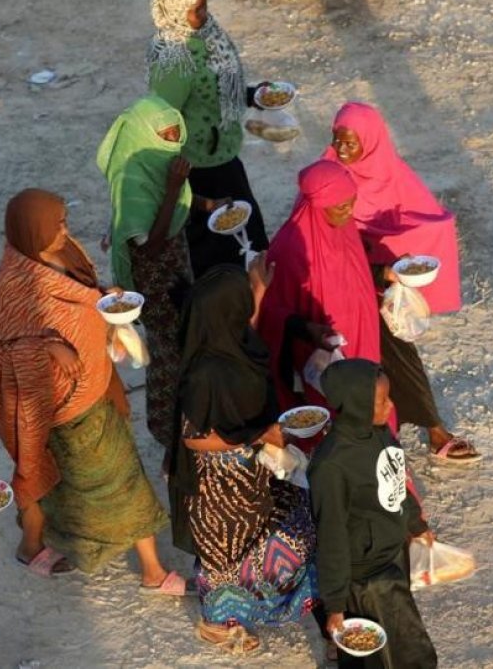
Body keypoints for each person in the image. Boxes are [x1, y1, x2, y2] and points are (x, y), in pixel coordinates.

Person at [0, 189, 187, 594]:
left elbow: (82, 296)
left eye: (64, 221)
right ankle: (151, 572)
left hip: (96, 387)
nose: (65, 230)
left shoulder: (65, 253)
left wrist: (106, 298)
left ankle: (34, 545)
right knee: (116, 483)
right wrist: (45, 346)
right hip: (64, 409)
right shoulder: (14, 284)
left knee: (65, 483)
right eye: (57, 225)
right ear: (32, 231)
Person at [170, 264, 319, 653]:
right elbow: (193, 440)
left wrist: (257, 290)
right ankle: (219, 622)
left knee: (271, 530)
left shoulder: (233, 341)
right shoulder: (204, 373)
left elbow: (244, 322)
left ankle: (244, 608)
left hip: (250, 476)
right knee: (224, 552)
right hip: (218, 487)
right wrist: (256, 435)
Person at [323, 102, 479, 463]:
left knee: (399, 355)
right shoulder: (329, 176)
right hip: (340, 285)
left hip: (376, 286)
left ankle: (433, 427)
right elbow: (325, 241)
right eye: (337, 139)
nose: (342, 150)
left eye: (351, 142)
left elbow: (423, 217)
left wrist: (401, 262)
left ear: (373, 142)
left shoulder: (391, 173)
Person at [97, 94, 228, 450]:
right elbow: (150, 246)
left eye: (175, 133)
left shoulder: (153, 163)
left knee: (188, 344)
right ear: (142, 135)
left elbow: (175, 194)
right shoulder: (131, 181)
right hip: (156, 285)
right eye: (165, 136)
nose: (174, 142)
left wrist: (206, 204)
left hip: (176, 271)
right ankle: (172, 435)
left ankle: (193, 422)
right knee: (170, 357)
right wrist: (173, 189)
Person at [309, 359, 438, 668]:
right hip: (363, 577)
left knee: (405, 644)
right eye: (382, 400)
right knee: (377, 657)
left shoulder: (379, 435)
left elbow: (395, 481)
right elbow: (332, 536)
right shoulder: (331, 465)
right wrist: (336, 605)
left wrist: (415, 523)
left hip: (392, 556)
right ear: (356, 404)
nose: (391, 406)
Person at [256, 160, 385, 451]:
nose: (349, 212)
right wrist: (309, 329)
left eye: (351, 203)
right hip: (321, 352)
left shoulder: (345, 227)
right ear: (317, 205)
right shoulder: (291, 247)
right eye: (341, 207)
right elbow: (272, 310)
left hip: (360, 338)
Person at [146, 0, 270, 278]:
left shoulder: (209, 37)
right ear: (174, 11)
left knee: (251, 242)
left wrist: (251, 96)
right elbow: (162, 121)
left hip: (224, 161)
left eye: (204, 5)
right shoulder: (174, 61)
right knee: (218, 259)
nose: (203, 14)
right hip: (197, 172)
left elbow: (214, 90)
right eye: (194, 10)